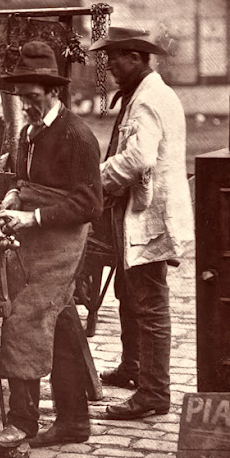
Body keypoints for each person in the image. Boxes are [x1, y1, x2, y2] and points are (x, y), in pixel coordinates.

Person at [0, 41, 102, 448]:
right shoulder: (29, 131)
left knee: (25, 317)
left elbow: (89, 204)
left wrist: (32, 217)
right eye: (21, 97)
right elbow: (28, 180)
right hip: (35, 237)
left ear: (53, 91)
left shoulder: (77, 136)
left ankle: (22, 421)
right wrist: (14, 195)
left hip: (63, 239)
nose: (26, 105)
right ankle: (74, 421)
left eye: (33, 97)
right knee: (60, 324)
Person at [89, 27, 194, 419]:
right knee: (129, 293)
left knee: (148, 303)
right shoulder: (145, 92)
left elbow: (138, 160)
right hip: (139, 212)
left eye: (114, 59)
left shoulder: (149, 99)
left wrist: (92, 180)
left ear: (134, 57)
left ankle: (153, 393)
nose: (110, 67)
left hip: (148, 216)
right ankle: (133, 367)